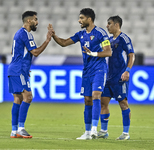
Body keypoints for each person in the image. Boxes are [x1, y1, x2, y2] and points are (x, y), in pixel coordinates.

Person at [48, 8, 112, 140]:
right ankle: (87, 132)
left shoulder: (100, 33)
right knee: (87, 100)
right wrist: (53, 36)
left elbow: (108, 52)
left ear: (89, 19)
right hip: (87, 71)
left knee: (96, 96)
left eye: (81, 18)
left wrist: (93, 53)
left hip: (99, 69)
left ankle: (95, 130)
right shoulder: (80, 34)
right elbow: (64, 43)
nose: (79, 20)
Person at [8, 11, 53, 138]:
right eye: (35, 19)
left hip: (15, 69)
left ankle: (14, 130)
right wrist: (47, 40)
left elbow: (14, 51)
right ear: (29, 21)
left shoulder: (18, 33)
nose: (37, 22)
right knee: (28, 96)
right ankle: (21, 128)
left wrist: (25, 66)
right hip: (19, 70)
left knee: (18, 98)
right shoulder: (26, 34)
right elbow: (36, 52)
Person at [97, 15, 135, 140]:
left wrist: (127, 71)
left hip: (120, 77)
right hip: (107, 77)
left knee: (123, 103)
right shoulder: (108, 40)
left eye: (109, 23)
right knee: (103, 102)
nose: (107, 26)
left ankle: (125, 133)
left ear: (116, 25)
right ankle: (103, 131)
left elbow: (131, 55)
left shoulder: (123, 38)